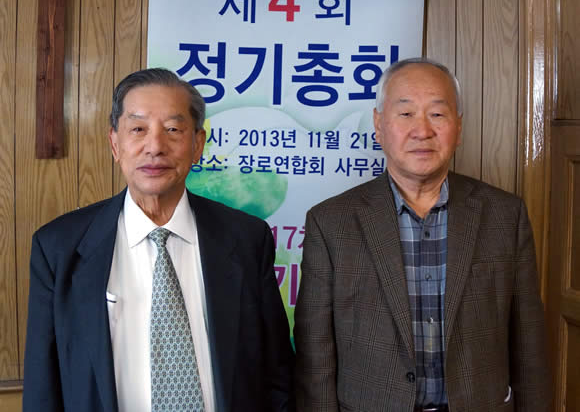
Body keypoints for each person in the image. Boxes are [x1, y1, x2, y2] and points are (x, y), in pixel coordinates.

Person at [23, 68, 294, 412]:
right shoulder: (58, 248)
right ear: (115, 143)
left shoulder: (246, 238)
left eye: (173, 130)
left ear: (198, 145)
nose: (155, 147)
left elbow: (277, 373)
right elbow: (43, 387)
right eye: (138, 129)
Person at [294, 58, 550, 412]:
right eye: (406, 114)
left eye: (438, 114)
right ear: (378, 125)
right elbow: (315, 355)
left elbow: (529, 341)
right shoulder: (331, 223)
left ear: (458, 127)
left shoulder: (505, 215)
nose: (422, 130)